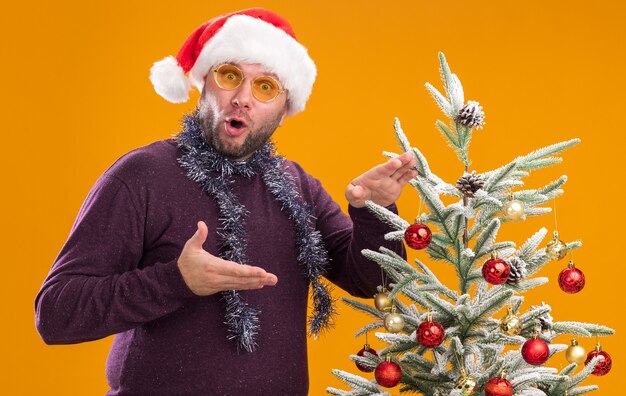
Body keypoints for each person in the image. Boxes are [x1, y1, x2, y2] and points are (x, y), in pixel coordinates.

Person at [35, 8, 417, 395]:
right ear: (204, 85)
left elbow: (373, 282)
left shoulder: (298, 185)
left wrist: (377, 211)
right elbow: (56, 314)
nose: (242, 99)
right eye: (230, 76)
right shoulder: (140, 176)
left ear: (284, 111)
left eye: (265, 87)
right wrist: (176, 280)